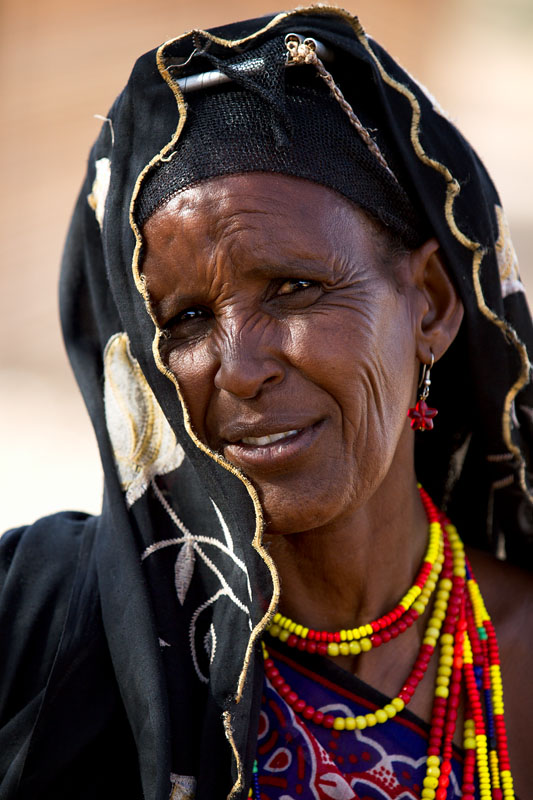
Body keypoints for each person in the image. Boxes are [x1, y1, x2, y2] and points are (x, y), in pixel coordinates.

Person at [1, 6, 533, 799]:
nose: (240, 369)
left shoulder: (517, 647)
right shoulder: (49, 633)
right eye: (183, 320)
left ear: (427, 302)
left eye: (295, 288)